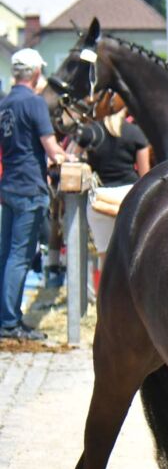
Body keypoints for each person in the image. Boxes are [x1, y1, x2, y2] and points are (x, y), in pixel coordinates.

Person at [0, 48, 69, 340]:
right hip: (30, 186)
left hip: (9, 185)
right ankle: (9, 322)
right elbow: (51, 148)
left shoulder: (5, 103)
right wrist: (67, 157)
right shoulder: (35, 103)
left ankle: (6, 316)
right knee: (20, 256)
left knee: (6, 255)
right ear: (36, 73)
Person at [74, 107, 150, 267]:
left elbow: (73, 160)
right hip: (128, 197)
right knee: (132, 257)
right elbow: (145, 175)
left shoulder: (90, 132)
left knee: (105, 260)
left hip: (99, 198)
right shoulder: (136, 132)